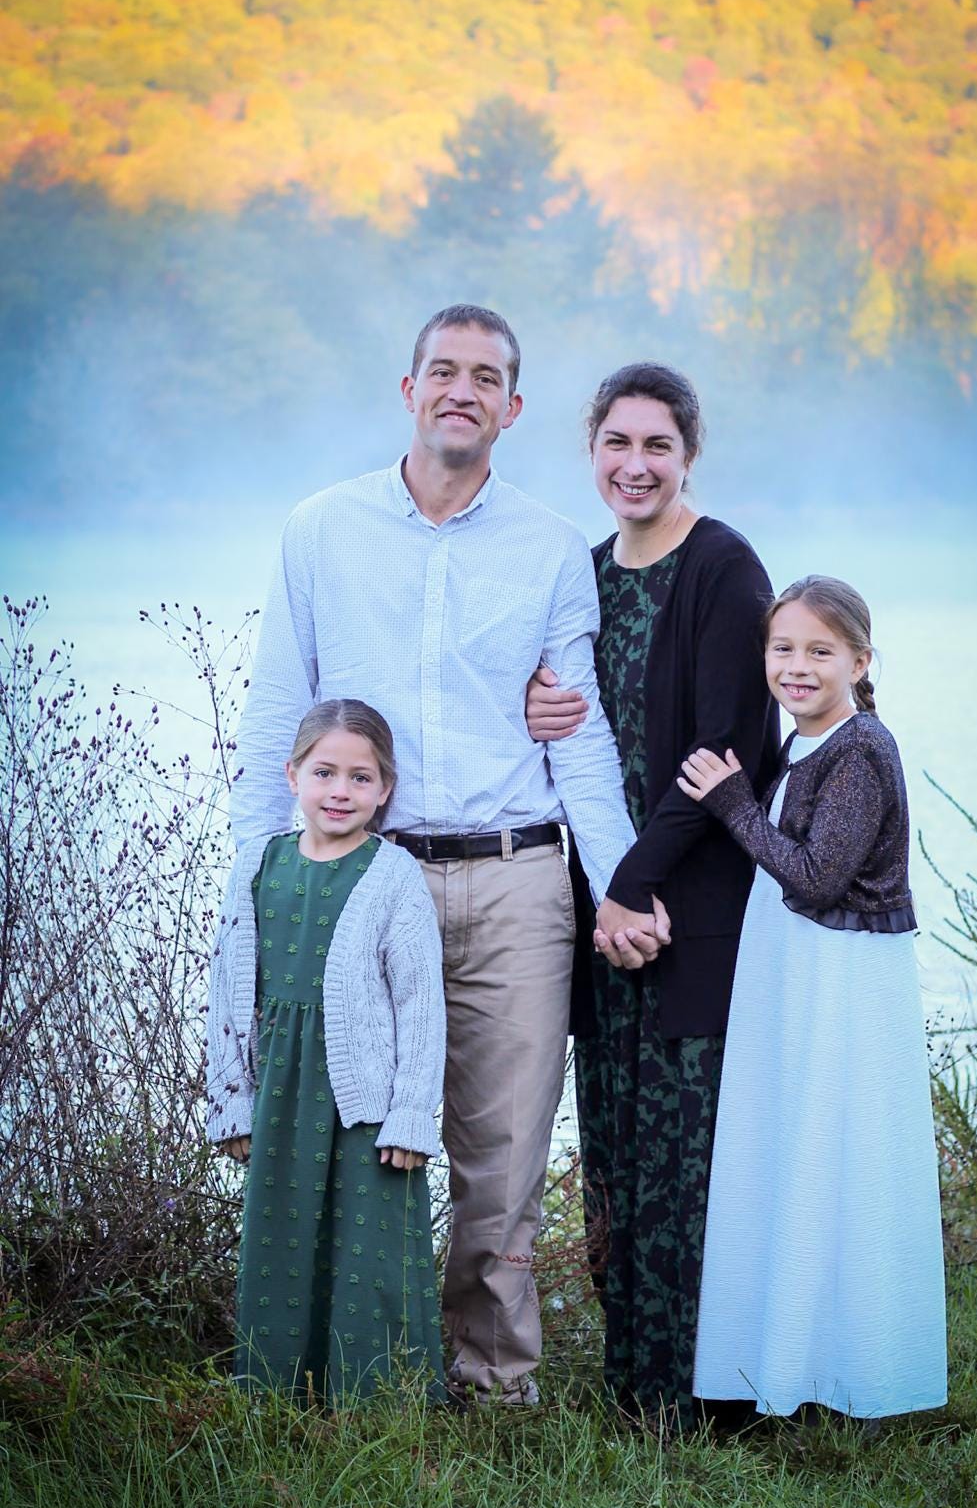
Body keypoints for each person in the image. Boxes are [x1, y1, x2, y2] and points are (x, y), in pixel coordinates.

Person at [229, 306, 661, 1405]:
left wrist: (620, 886)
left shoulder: (550, 547)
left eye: (485, 377)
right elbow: (276, 716)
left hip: (517, 880)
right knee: (351, 1132)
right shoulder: (321, 531)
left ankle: (494, 1382)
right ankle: (355, 1370)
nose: (461, 390)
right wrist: (252, 894)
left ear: (512, 408)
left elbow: (580, 741)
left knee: (504, 1151)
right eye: (443, 371)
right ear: (409, 388)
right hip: (368, 881)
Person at [526, 364, 779, 1426]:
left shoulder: (724, 568)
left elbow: (728, 750)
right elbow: (567, 734)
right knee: (616, 1149)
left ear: (689, 454)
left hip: (692, 911)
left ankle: (712, 1397)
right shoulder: (584, 575)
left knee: (692, 1157)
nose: (635, 465)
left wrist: (631, 884)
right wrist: (531, 709)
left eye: (657, 446)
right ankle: (634, 1386)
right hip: (607, 912)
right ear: (591, 450)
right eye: (616, 443)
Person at [681, 576, 947, 1420]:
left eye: (820, 651)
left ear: (860, 662)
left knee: (838, 1151)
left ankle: (853, 1369)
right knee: (796, 1148)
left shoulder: (859, 748)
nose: (797, 667)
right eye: (783, 648)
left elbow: (818, 875)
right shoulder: (806, 743)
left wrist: (731, 804)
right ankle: (788, 1359)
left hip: (841, 980)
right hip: (799, 970)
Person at [206, 699, 448, 1403]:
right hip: (281, 1091)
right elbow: (228, 989)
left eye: (361, 777)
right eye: (324, 773)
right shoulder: (258, 865)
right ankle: (278, 1398)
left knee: (371, 1249)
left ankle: (378, 1404)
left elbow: (420, 1004)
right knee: (281, 1240)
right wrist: (232, 1101)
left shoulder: (393, 876)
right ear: (292, 775)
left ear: (385, 788)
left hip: (364, 1100)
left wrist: (411, 1115)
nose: (341, 791)